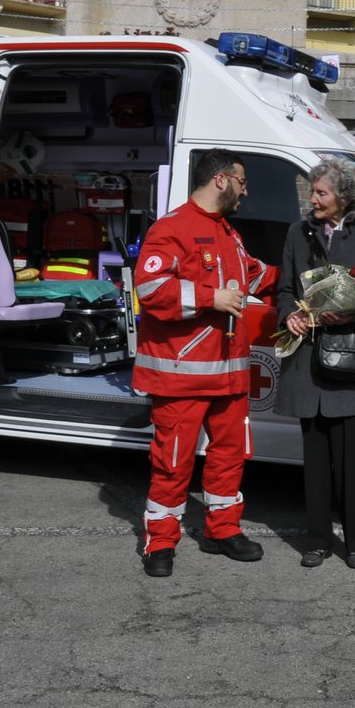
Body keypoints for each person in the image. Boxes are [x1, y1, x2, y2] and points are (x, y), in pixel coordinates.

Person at [132, 149, 277, 578]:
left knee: (229, 457)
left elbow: (253, 276)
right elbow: (151, 286)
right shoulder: (172, 228)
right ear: (221, 180)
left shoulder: (228, 233)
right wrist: (210, 298)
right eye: (243, 182)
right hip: (182, 379)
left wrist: (307, 275)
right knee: (172, 463)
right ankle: (160, 541)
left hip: (230, 376)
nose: (245, 191)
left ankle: (222, 530)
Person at [277, 158, 355, 569]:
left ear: (344, 197)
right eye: (313, 192)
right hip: (309, 367)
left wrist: (353, 315)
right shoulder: (297, 233)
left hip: (353, 370)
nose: (313, 199)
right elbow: (285, 289)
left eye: (321, 193)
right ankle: (317, 540)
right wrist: (288, 314)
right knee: (315, 466)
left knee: (353, 466)